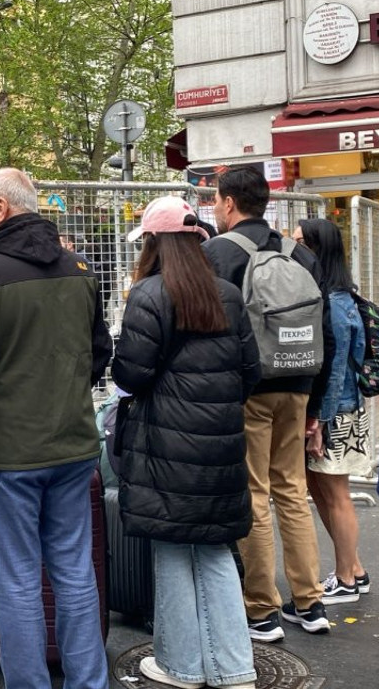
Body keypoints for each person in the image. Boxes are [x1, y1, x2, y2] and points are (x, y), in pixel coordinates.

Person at [0, 168, 112, 689]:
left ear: (1, 209)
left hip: (6, 457)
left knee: (14, 583)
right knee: (75, 572)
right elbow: (99, 350)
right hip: (74, 447)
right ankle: (88, 682)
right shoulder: (79, 268)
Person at [115, 196, 261, 689]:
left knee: (174, 550)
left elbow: (131, 374)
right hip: (220, 445)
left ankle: (181, 664)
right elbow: (250, 372)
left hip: (165, 447)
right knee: (217, 549)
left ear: (155, 244)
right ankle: (234, 667)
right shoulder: (227, 294)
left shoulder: (148, 295)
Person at [202, 166, 335, 641]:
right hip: (299, 382)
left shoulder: (217, 253)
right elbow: (326, 328)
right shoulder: (299, 252)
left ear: (230, 204)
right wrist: (315, 402)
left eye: (216, 201)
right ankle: (310, 601)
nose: (214, 209)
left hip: (250, 388)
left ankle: (261, 608)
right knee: (292, 492)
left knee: (254, 494)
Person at [294, 218, 372, 605]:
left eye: (300, 243)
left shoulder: (336, 302)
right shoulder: (334, 295)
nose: (294, 251)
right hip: (333, 410)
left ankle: (346, 576)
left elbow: (337, 365)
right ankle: (353, 569)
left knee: (337, 493)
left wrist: (320, 421)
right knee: (320, 488)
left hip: (334, 413)